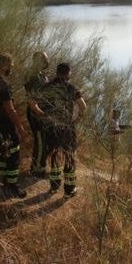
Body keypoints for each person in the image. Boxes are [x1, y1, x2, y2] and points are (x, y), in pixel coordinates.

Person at [0, 53, 28, 199]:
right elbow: (10, 109)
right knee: (14, 152)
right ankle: (13, 187)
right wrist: (20, 128)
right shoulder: (4, 84)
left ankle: (1, 182)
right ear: (4, 65)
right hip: (5, 124)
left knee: (4, 151)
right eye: (11, 64)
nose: (12, 67)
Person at [39, 62, 86, 198]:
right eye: (70, 73)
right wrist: (78, 119)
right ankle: (69, 190)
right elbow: (83, 105)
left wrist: (43, 115)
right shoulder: (69, 87)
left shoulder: (47, 86)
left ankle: (54, 185)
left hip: (52, 127)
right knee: (69, 156)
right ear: (67, 73)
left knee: (54, 154)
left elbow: (32, 102)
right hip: (66, 127)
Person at [24, 51, 50, 178]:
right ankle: (36, 169)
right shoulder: (32, 75)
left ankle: (41, 166)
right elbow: (30, 98)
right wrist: (38, 111)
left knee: (44, 140)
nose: (46, 61)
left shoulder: (42, 75)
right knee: (40, 141)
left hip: (44, 113)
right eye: (44, 58)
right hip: (36, 113)